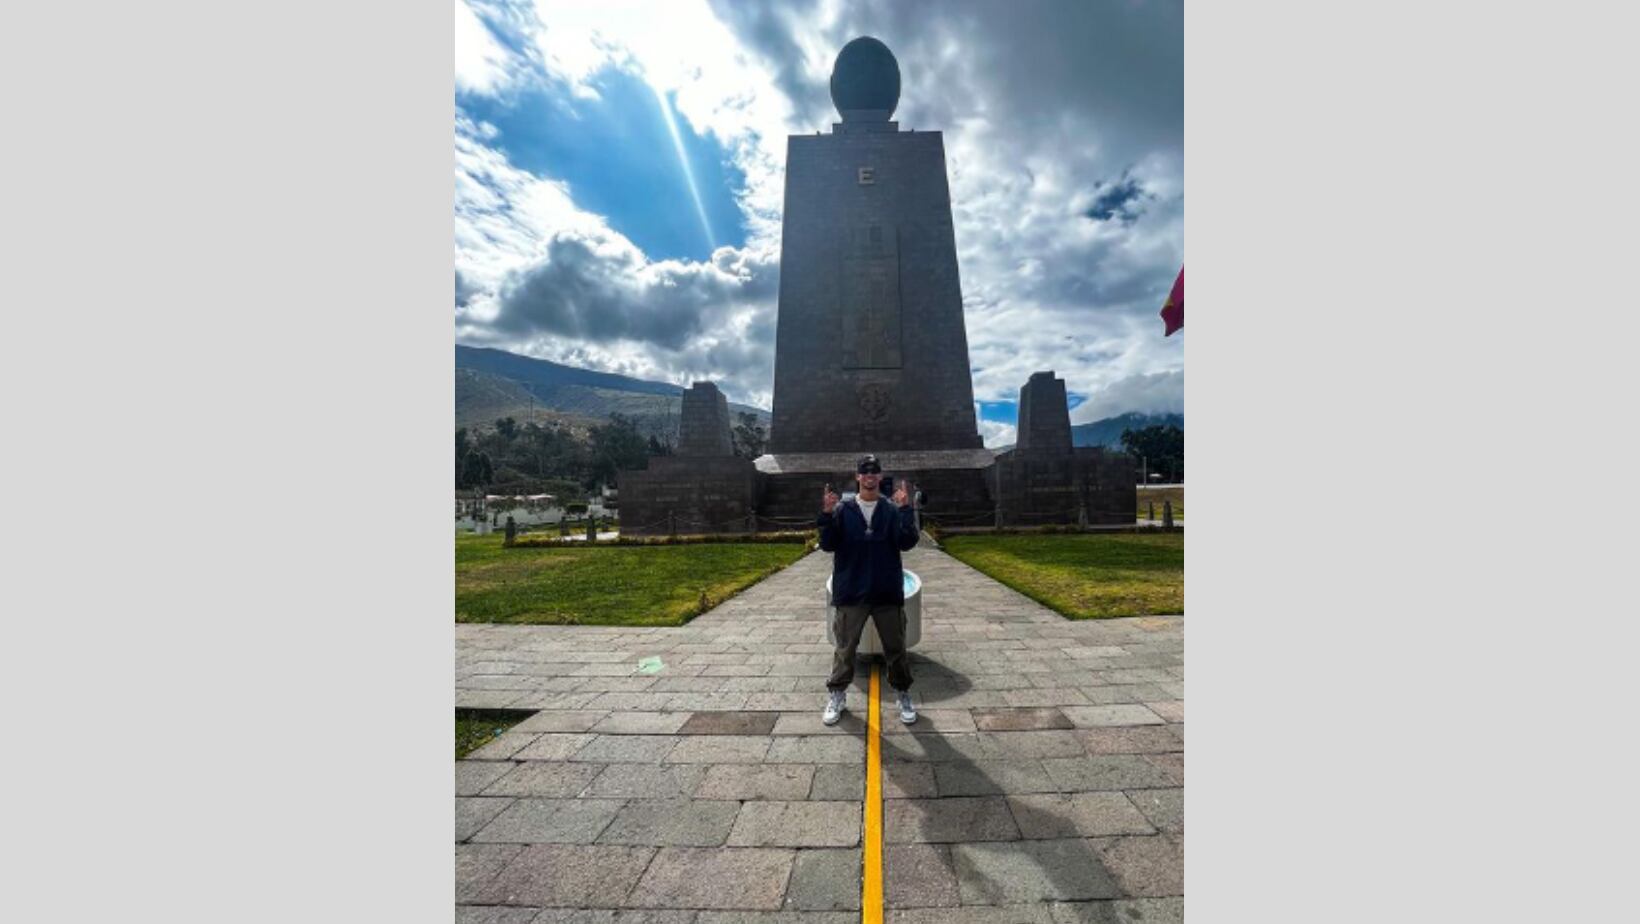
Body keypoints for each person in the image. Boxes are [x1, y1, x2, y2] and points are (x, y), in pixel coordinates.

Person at [817, 454, 918, 725]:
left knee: (896, 648)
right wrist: (826, 515)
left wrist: (907, 510)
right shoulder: (842, 511)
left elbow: (907, 542)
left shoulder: (892, 510)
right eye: (865, 471)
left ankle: (902, 693)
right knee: (845, 649)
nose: (870, 475)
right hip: (852, 592)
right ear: (858, 477)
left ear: (880, 477)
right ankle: (837, 694)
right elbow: (827, 544)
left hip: (886, 591)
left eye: (874, 471)